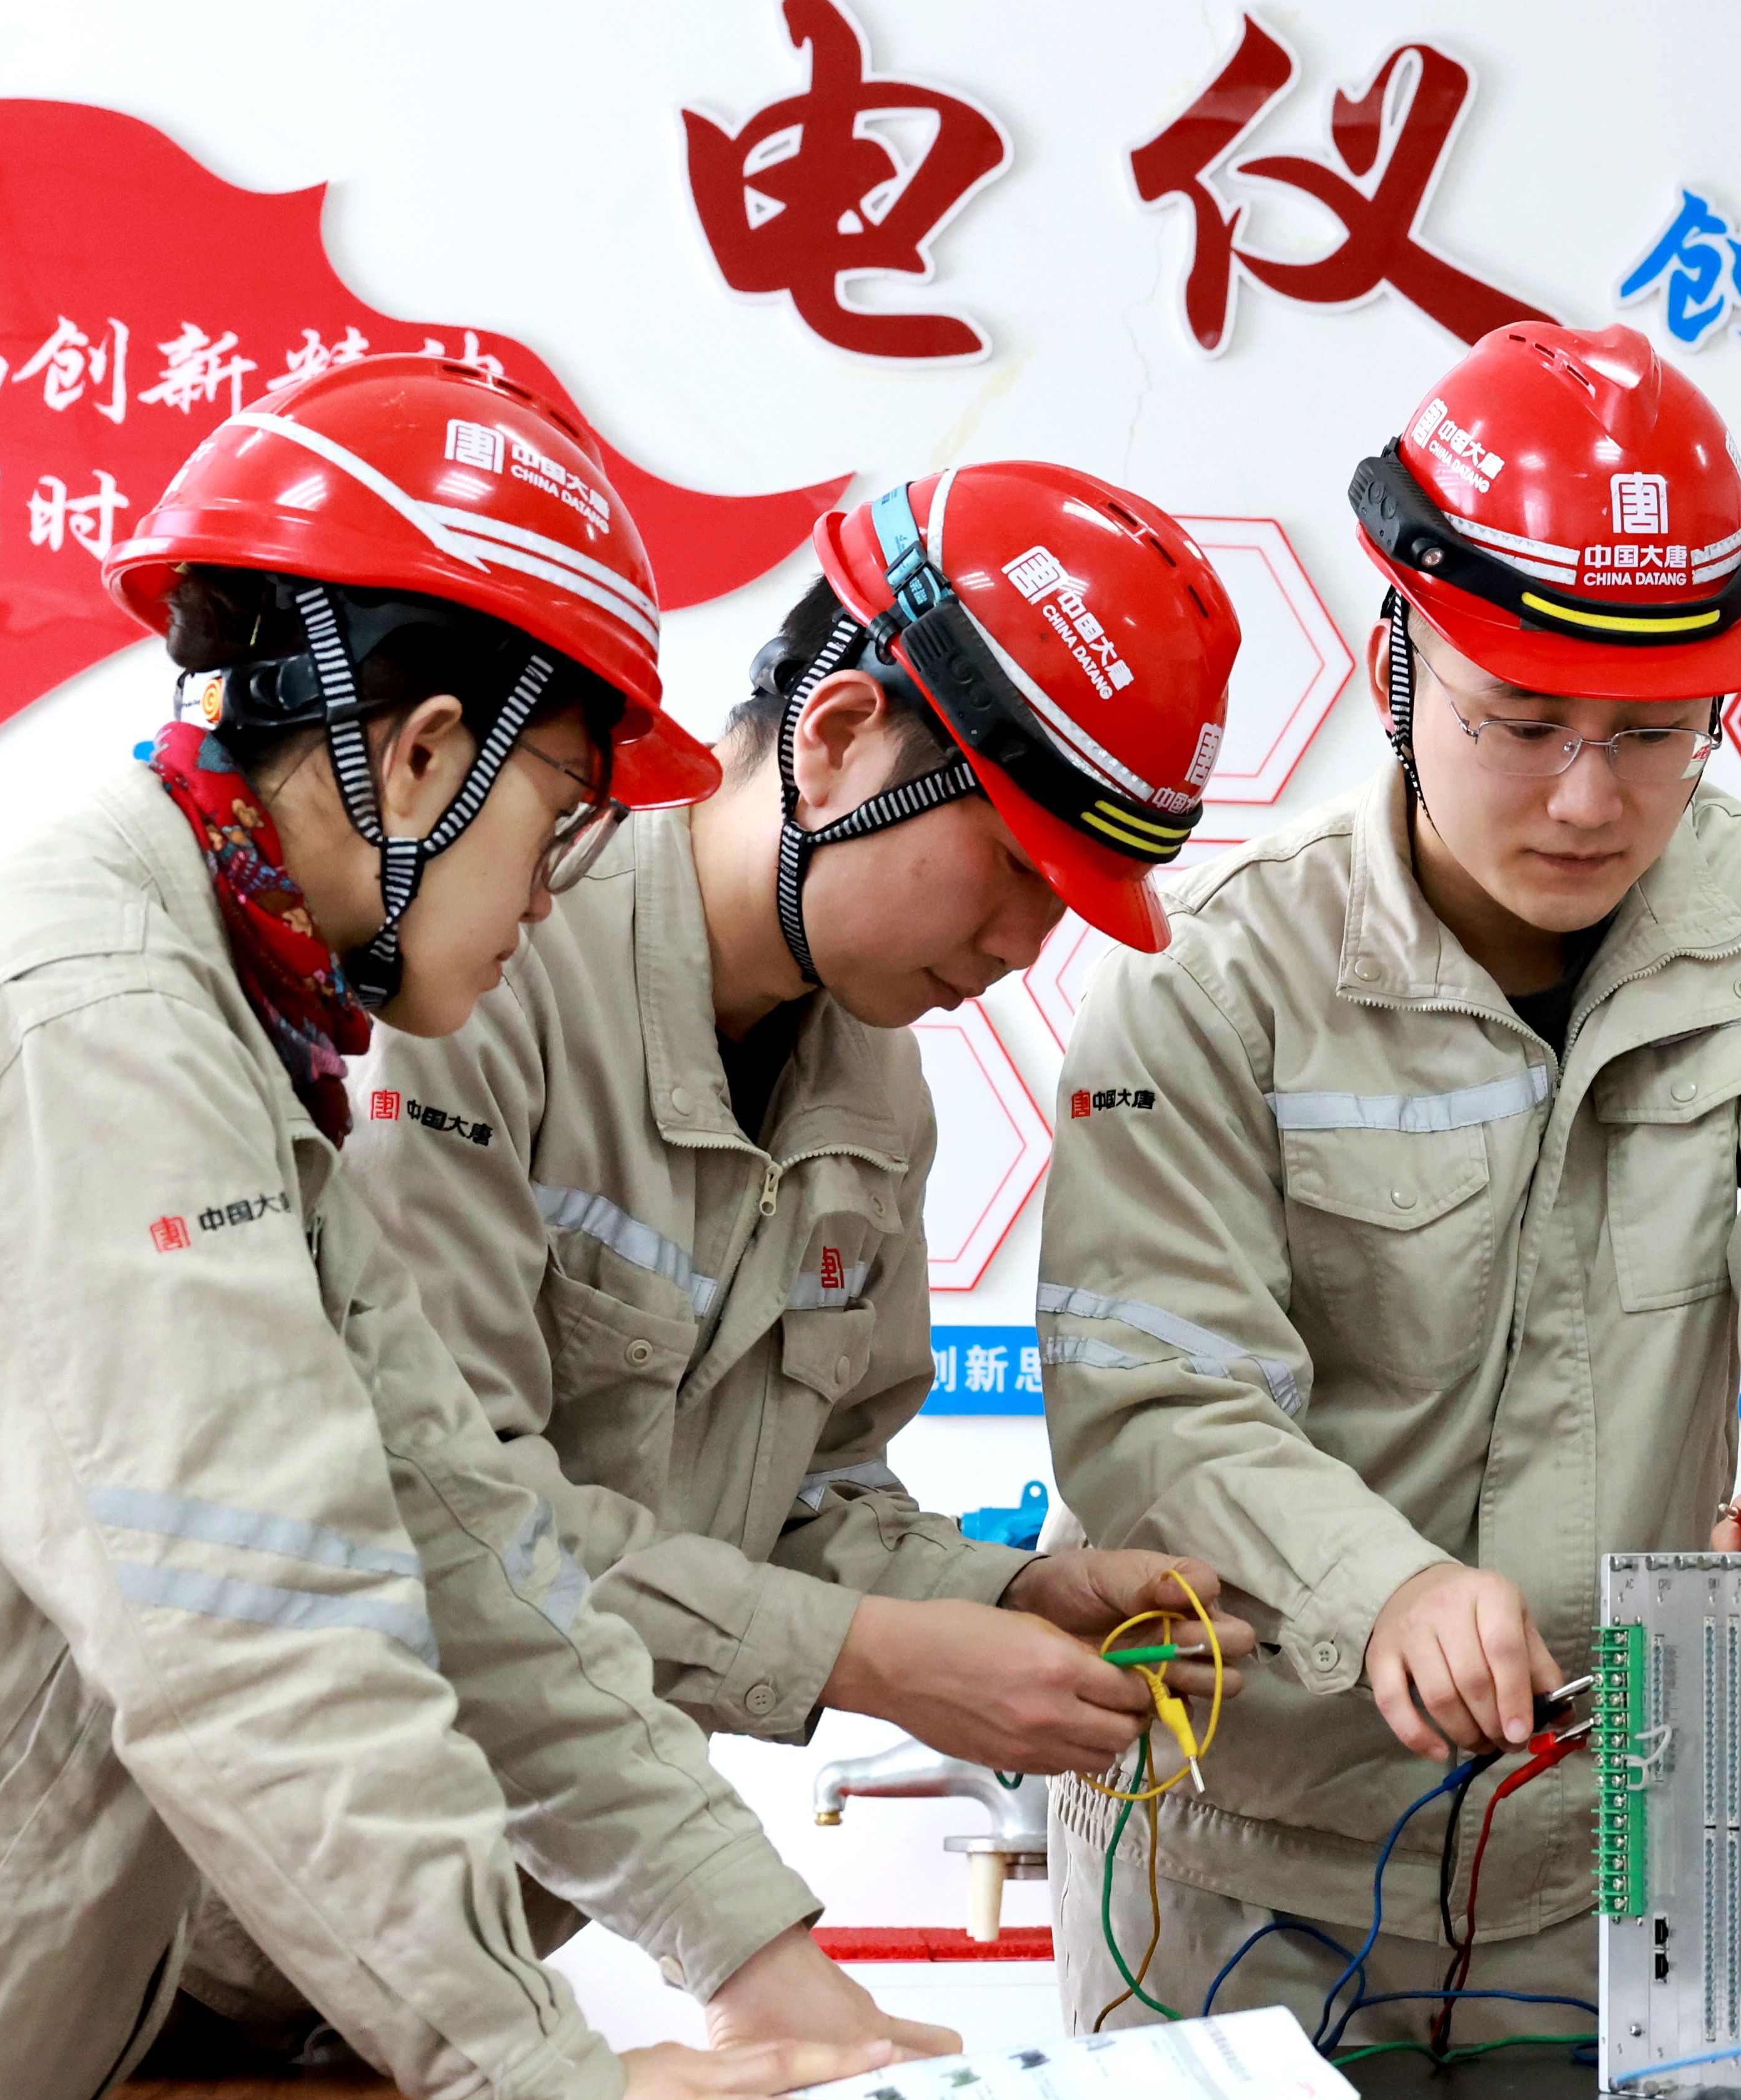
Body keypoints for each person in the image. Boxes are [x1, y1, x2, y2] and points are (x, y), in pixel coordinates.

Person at [0, 358, 934, 2100]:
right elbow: (254, 1634)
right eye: (562, 815)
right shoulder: (88, 1037)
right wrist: (546, 2077)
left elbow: (460, 1541)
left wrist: (762, 1960)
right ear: (428, 754)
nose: (559, 887)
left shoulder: (230, 1033)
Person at [1033, 322, 1741, 2047]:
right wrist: (1374, 1585)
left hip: (1602, 1861)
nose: (1589, 799)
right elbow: (1155, 1396)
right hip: (1239, 1864)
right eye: (1522, 723)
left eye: (1656, 733)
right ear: (1396, 664)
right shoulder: (1217, 974)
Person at [333, 465, 1250, 1785]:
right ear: (837, 736)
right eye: (1015, 865)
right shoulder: (481, 982)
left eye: (1068, 903)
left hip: (545, 1841)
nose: (1024, 946)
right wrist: (873, 1659)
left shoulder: (877, 1103)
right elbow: (442, 1504)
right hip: (322, 1825)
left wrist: (1004, 1599)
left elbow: (813, 1497)